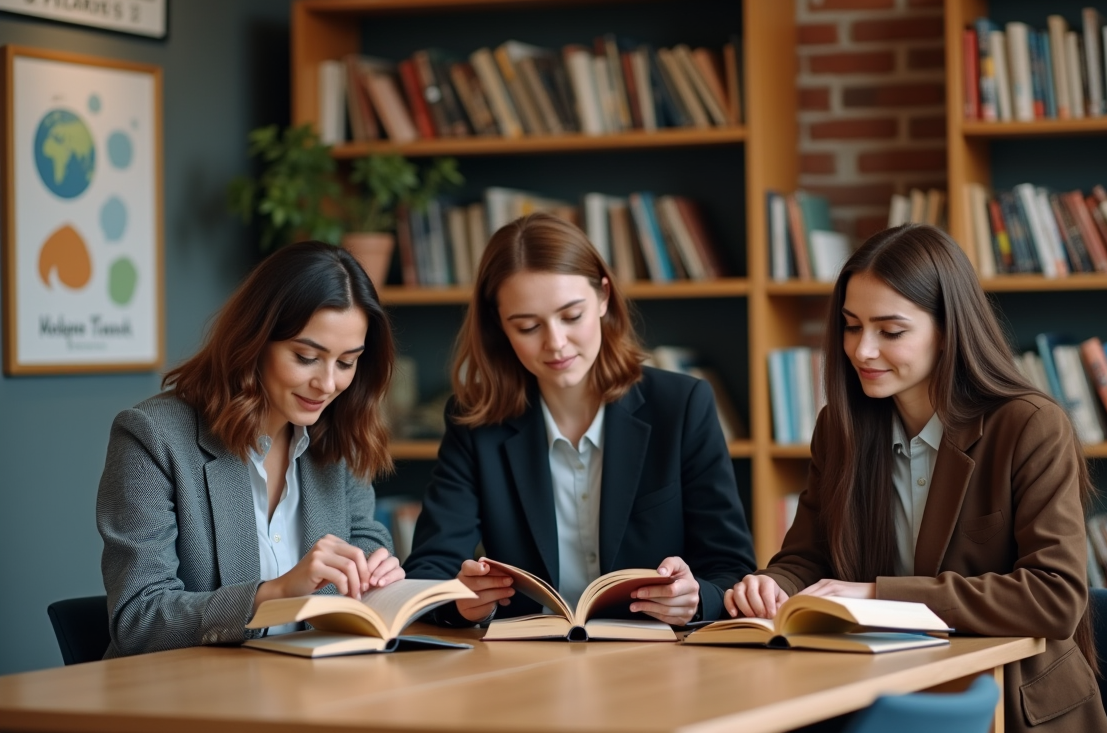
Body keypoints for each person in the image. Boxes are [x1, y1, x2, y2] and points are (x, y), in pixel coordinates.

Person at [724, 224, 1107, 732]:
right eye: (851, 325)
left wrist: (879, 594)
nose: (862, 351)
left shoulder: (1029, 426)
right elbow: (807, 557)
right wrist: (772, 586)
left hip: (1008, 704)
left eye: (891, 331)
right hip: (879, 689)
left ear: (948, 330)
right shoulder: (840, 430)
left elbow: (1054, 597)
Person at [403, 212, 756, 627]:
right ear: (499, 325)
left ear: (603, 297)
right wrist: (460, 601)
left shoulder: (681, 405)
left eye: (572, 316)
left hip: (659, 659)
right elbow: (428, 571)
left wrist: (695, 599)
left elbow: (732, 567)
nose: (555, 343)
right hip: (525, 663)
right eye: (528, 326)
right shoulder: (474, 422)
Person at [97, 241, 404, 657]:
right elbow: (139, 618)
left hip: (316, 691)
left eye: (347, 362)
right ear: (255, 341)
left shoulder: (338, 434)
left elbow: (364, 535)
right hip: (189, 701)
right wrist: (273, 595)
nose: (328, 384)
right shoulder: (152, 437)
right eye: (306, 356)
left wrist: (373, 571)